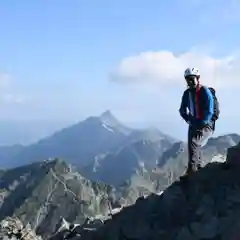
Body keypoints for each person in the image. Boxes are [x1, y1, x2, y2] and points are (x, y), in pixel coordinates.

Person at [179, 67, 215, 177]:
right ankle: (197, 169)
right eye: (187, 79)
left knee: (195, 143)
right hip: (194, 123)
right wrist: (189, 119)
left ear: (197, 78)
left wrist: (201, 123)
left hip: (206, 124)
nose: (189, 82)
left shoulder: (205, 91)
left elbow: (209, 110)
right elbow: (182, 109)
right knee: (192, 145)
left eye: (192, 79)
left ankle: (192, 171)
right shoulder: (187, 94)